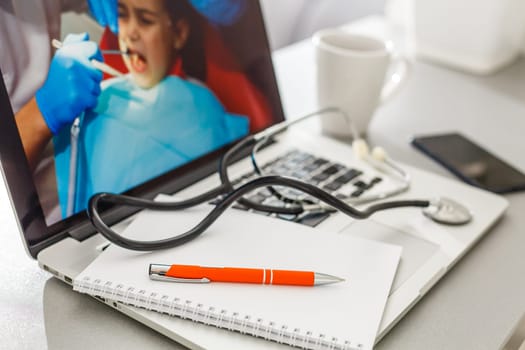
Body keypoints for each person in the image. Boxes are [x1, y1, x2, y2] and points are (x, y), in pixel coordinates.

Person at [52, 0, 250, 217]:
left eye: (146, 20)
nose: (130, 34)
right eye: (122, 16)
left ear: (179, 33)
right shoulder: (93, 104)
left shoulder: (204, 105)